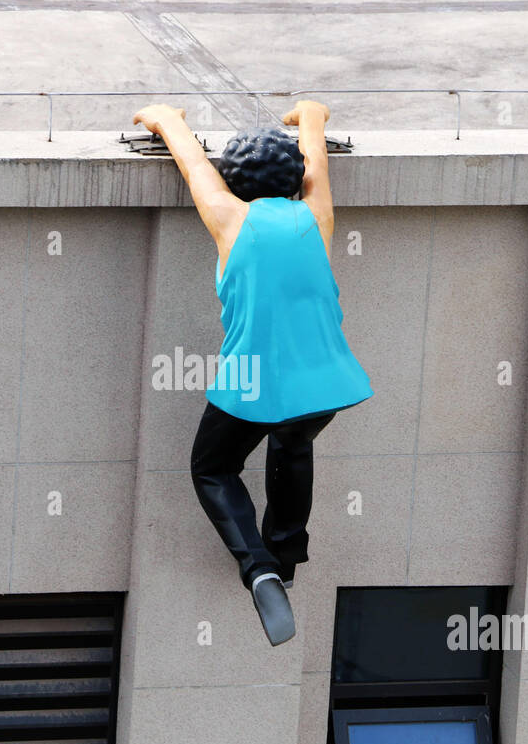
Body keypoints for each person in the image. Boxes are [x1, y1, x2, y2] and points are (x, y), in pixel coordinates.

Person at [132, 100, 373, 646]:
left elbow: (195, 167)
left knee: (213, 468)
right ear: (297, 181)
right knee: (293, 445)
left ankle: (258, 568)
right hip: (326, 380)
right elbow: (318, 164)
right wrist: (310, 115)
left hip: (253, 383)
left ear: (235, 184)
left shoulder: (230, 218)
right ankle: (286, 553)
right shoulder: (317, 216)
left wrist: (167, 120)